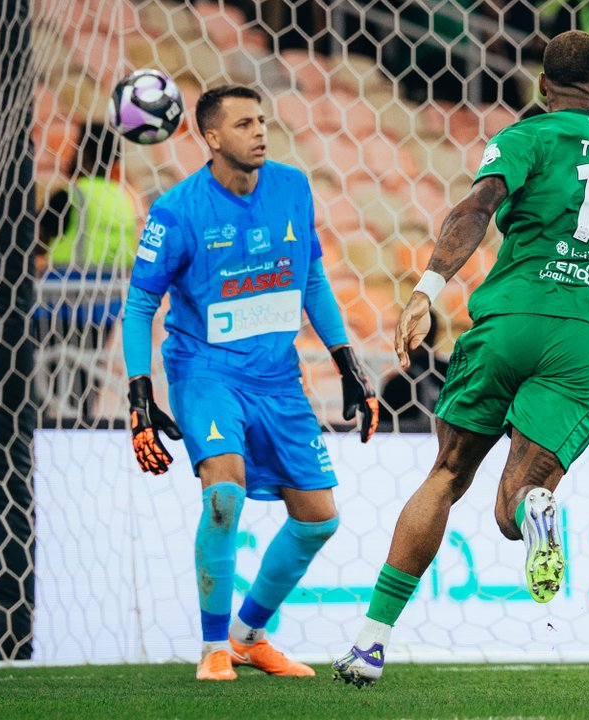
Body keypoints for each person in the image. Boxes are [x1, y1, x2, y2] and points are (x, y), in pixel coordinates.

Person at [334, 30, 589, 687]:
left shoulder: (529, 137)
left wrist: (426, 291)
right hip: (582, 340)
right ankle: (537, 511)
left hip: (509, 322)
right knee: (512, 508)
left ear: (542, 86)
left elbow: (476, 209)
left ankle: (370, 644)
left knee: (446, 474)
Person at [121, 85, 378, 681]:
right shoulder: (178, 210)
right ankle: (213, 649)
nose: (259, 131)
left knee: (320, 518)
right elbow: (139, 305)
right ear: (211, 138)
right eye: (242, 124)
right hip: (205, 368)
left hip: (278, 376)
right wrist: (141, 394)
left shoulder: (292, 187)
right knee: (224, 492)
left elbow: (311, 276)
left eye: (261, 120)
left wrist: (347, 361)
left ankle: (246, 635)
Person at [37, 121, 140, 417]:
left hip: (60, 305)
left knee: (46, 384)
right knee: (84, 384)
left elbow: (38, 241)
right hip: (104, 308)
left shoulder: (72, 195)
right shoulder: (124, 200)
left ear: (85, 153)